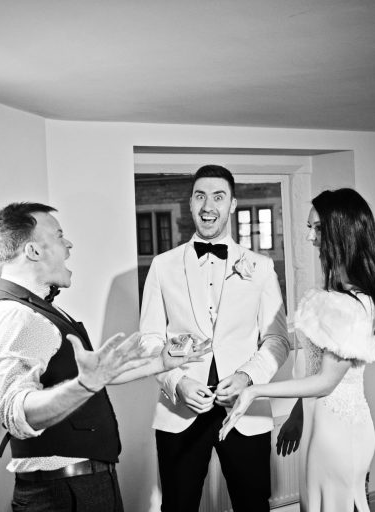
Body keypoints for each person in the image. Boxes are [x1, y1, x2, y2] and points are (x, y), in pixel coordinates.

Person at [0, 202, 209, 512]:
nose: (68, 243)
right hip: (63, 494)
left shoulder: (40, 309)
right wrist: (85, 385)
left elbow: (92, 375)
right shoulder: (15, 317)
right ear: (33, 251)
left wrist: (161, 363)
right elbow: (18, 411)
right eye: (59, 236)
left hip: (83, 486)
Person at [219, 188, 375, 512]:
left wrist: (254, 391)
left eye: (317, 228)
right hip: (318, 425)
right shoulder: (334, 295)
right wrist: (298, 413)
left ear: (341, 233)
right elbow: (314, 367)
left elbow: (327, 381)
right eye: (309, 227)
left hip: (340, 433)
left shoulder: (352, 306)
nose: (310, 237)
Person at [139, 165, 296, 511]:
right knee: (177, 506)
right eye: (200, 196)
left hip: (245, 411)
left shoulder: (261, 266)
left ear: (233, 204)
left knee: (253, 505)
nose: (208, 206)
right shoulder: (162, 266)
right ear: (191, 203)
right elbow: (148, 340)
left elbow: (278, 340)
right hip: (179, 410)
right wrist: (176, 381)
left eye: (218, 197)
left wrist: (247, 377)